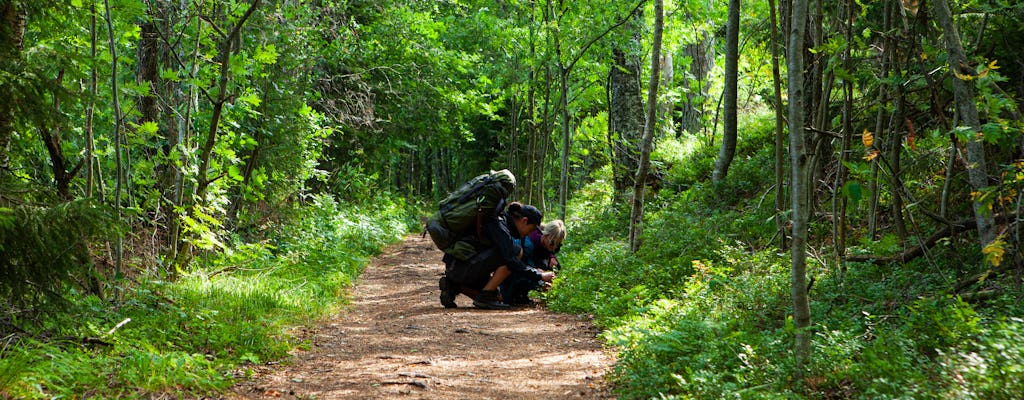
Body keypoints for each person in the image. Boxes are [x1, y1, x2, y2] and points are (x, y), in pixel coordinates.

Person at [438, 202, 555, 309]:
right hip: (462, 267)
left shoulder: (499, 221)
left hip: (459, 266)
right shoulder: (498, 225)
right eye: (531, 229)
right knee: (515, 251)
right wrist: (540, 275)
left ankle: (454, 286)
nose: (530, 234)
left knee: (498, 299)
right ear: (524, 221)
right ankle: (483, 295)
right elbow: (512, 262)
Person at [499, 219, 565, 306]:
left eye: (558, 245)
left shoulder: (546, 246)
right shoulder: (528, 242)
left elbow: (550, 257)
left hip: (527, 269)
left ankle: (521, 295)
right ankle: (510, 295)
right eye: (552, 243)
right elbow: (521, 267)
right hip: (513, 272)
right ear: (545, 235)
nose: (554, 248)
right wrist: (540, 278)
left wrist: (552, 259)